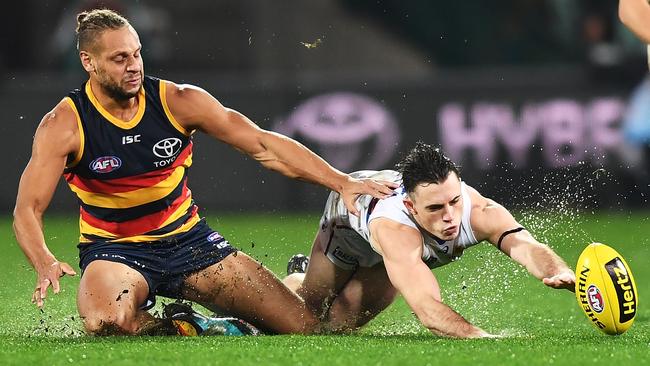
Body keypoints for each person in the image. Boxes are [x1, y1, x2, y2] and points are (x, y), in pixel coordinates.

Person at [12, 8, 395, 336]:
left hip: (190, 243)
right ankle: (196, 325)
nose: (134, 67)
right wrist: (43, 259)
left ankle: (295, 277)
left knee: (302, 325)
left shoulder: (177, 101)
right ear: (88, 61)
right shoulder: (64, 123)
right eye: (119, 58)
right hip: (115, 251)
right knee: (105, 322)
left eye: (137, 54)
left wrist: (341, 181)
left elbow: (263, 145)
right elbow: (27, 210)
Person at [283, 142, 576, 338]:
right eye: (435, 208)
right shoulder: (396, 229)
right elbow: (428, 309)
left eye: (454, 201)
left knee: (338, 324)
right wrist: (480, 337)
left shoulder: (479, 211)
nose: (450, 216)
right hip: (348, 224)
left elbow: (526, 246)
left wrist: (557, 270)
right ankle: (299, 276)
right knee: (309, 312)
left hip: (393, 256)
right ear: (411, 208)